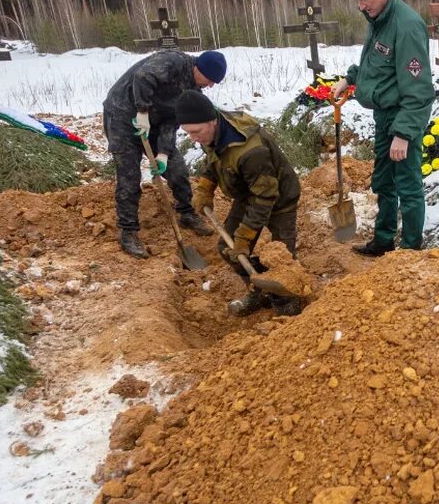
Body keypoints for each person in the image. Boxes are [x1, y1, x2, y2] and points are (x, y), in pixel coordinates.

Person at [330, 0, 434, 256]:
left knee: (408, 185)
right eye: (356, 0)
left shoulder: (407, 26)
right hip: (383, 116)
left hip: (403, 118)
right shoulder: (378, 19)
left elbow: (419, 90)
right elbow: (376, 64)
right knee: (384, 181)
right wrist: (351, 78)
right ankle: (384, 240)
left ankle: (411, 251)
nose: (361, 6)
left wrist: (403, 133)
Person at [177, 90, 303, 317]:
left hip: (279, 198)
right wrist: (206, 187)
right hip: (247, 194)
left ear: (213, 120)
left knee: (282, 255)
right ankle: (259, 289)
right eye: (188, 133)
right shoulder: (212, 133)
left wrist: (245, 237)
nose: (193, 138)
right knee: (227, 249)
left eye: (196, 132)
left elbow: (265, 197)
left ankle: (287, 301)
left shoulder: (251, 151)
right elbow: (215, 159)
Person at [102, 49, 226, 258]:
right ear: (199, 69)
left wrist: (163, 154)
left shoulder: (192, 93)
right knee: (129, 176)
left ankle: (186, 213)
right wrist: (142, 111)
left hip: (155, 123)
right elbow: (143, 77)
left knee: (177, 169)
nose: (211, 85)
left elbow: (172, 121)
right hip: (123, 116)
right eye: (211, 79)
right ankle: (128, 231)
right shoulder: (173, 62)